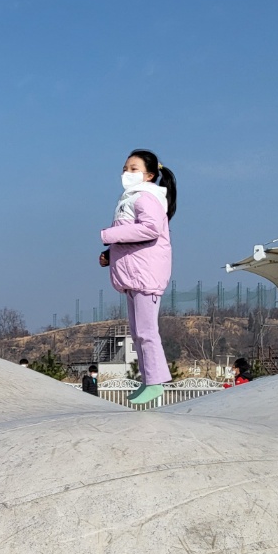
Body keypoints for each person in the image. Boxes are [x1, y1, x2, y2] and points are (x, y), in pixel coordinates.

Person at [100, 148, 177, 406]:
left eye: (133, 169)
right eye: (125, 168)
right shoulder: (130, 199)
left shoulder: (146, 198)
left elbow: (150, 229)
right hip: (135, 274)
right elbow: (130, 237)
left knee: (146, 331)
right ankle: (148, 380)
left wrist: (109, 236)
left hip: (146, 275)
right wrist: (110, 255)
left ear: (149, 175)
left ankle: (155, 382)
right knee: (137, 332)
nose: (126, 173)